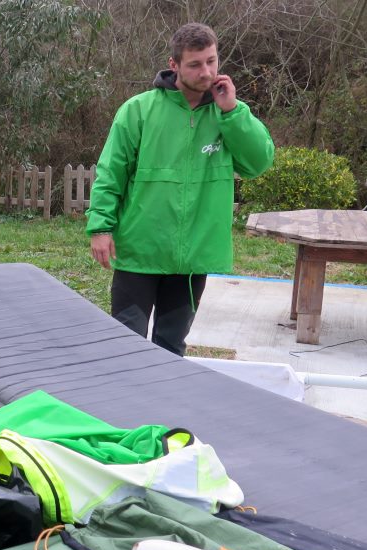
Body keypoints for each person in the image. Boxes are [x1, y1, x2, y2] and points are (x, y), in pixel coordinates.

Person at [86, 23, 274, 356]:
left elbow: (258, 163)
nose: (207, 72)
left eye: (212, 61)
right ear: (174, 65)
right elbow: (110, 171)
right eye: (195, 64)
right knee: (124, 347)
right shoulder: (138, 110)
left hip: (192, 259)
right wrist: (100, 226)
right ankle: (121, 409)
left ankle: (162, 411)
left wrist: (231, 112)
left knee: (171, 350)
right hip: (139, 253)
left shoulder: (227, 113)